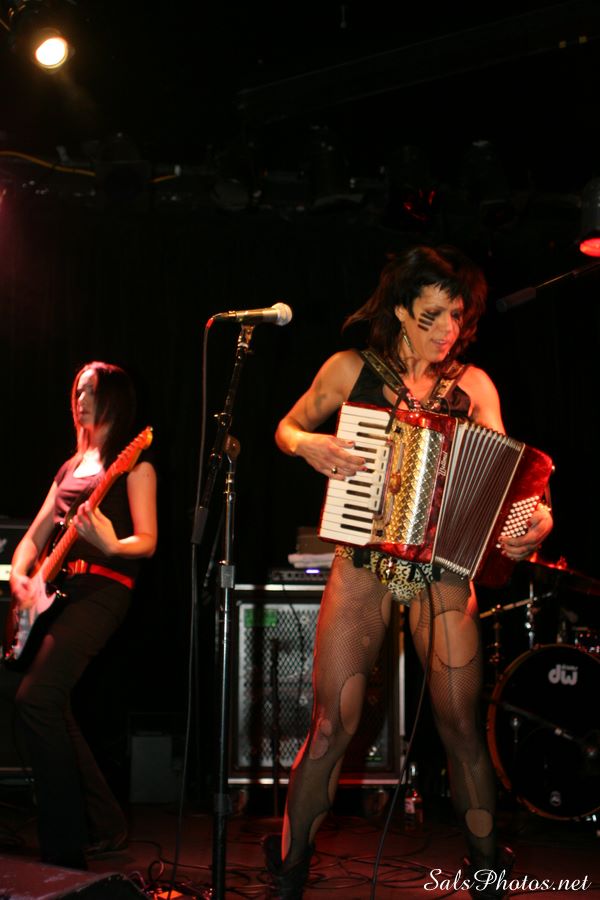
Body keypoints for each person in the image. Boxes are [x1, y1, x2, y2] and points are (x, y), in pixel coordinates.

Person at [264, 245, 553, 899]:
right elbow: (287, 427)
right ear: (400, 310)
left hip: (442, 568)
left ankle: (486, 870)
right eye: (431, 316)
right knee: (332, 723)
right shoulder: (349, 369)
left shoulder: (475, 386)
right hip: (364, 559)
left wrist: (537, 520)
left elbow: (513, 480)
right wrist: (308, 445)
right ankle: (289, 868)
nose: (448, 330)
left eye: (457, 316)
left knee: (460, 723)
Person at [1, 360, 157, 870]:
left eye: (90, 391)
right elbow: (34, 536)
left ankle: (64, 849)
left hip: (106, 589)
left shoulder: (133, 465)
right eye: (76, 390)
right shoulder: (69, 470)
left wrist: (111, 542)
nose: (80, 399)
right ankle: (105, 823)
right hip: (60, 590)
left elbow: (147, 541)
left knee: (37, 697)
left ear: (114, 399)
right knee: (49, 704)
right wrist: (21, 577)